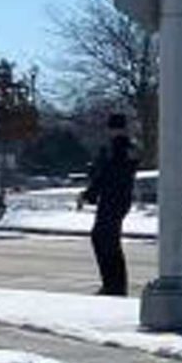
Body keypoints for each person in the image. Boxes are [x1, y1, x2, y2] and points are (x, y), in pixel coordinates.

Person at [80, 113, 139, 296]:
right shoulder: (129, 148)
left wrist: (89, 193)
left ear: (112, 129)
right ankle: (115, 284)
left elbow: (107, 175)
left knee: (103, 239)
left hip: (112, 198)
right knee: (108, 239)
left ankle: (113, 285)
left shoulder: (116, 148)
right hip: (121, 198)